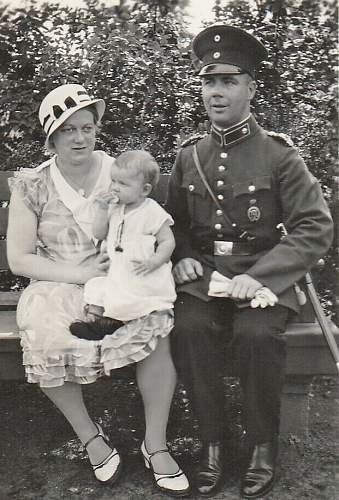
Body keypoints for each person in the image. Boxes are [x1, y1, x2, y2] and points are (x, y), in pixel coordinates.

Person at [165, 25, 333, 498]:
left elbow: (314, 228)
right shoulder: (190, 155)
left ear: (251, 88)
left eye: (229, 81)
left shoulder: (280, 155)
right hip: (205, 279)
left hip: (265, 279)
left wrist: (259, 277)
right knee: (189, 329)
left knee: (257, 335)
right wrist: (180, 257)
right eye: (208, 81)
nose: (216, 92)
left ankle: (262, 447)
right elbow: (172, 222)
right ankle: (212, 445)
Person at [6, 84, 190, 497]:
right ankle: (91, 438)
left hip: (121, 279)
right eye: (68, 129)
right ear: (51, 137)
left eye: (87, 127)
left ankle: (155, 444)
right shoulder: (32, 185)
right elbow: (19, 259)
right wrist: (78, 273)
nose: (79, 138)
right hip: (58, 281)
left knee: (154, 330)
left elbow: (156, 223)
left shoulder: (119, 172)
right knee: (42, 332)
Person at [69, 149, 177, 341]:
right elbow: (99, 234)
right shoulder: (114, 208)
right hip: (117, 269)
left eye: (123, 184)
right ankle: (95, 321)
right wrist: (102, 210)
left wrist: (156, 261)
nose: (115, 188)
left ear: (145, 189)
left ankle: (113, 323)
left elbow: (167, 241)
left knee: (129, 296)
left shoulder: (151, 210)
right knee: (99, 287)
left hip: (140, 271)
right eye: (114, 181)